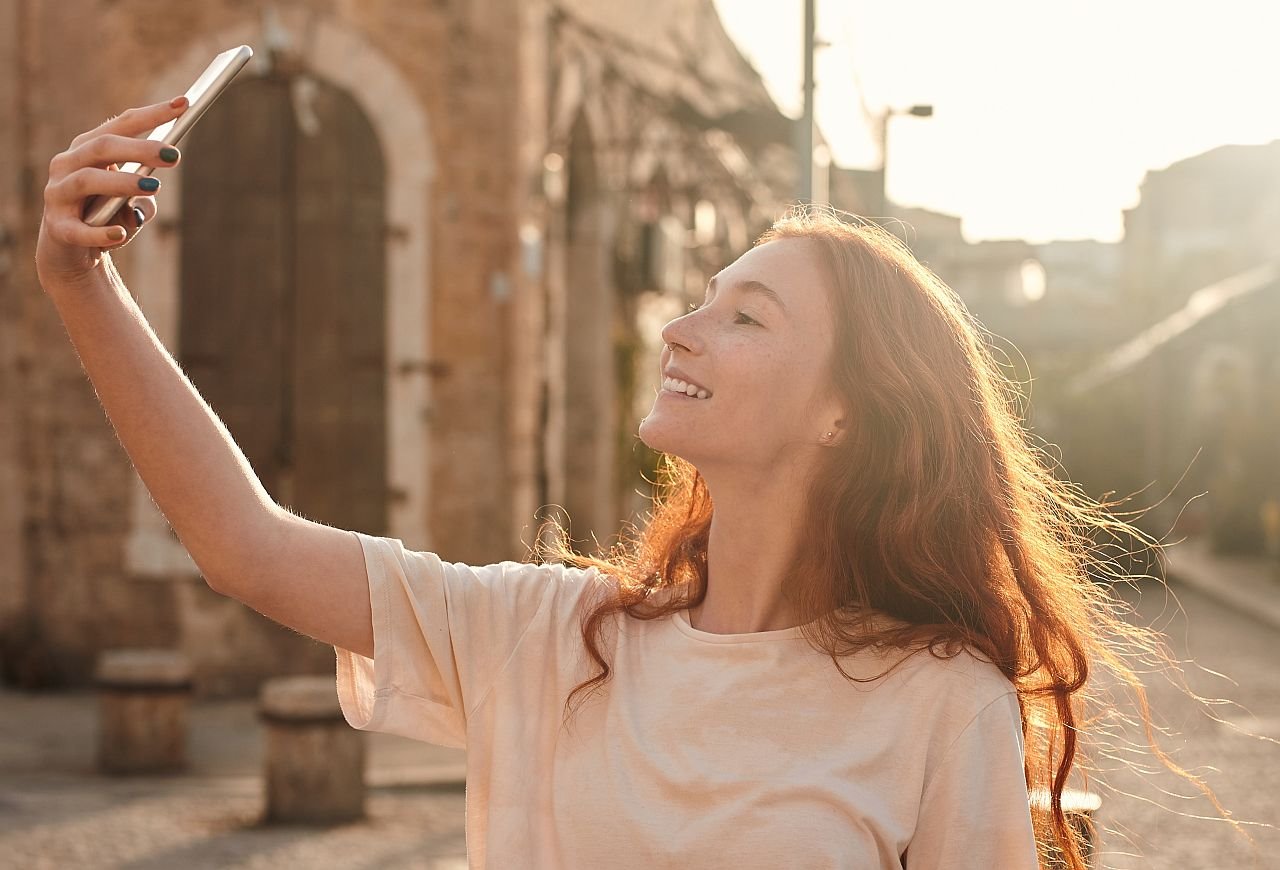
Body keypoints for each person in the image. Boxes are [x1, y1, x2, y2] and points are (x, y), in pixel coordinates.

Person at [37, 96, 1232, 870]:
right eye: (698, 298)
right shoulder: (548, 635)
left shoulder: (937, 700)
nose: (681, 328)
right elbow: (244, 543)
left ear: (840, 415)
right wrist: (81, 288)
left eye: (744, 315)